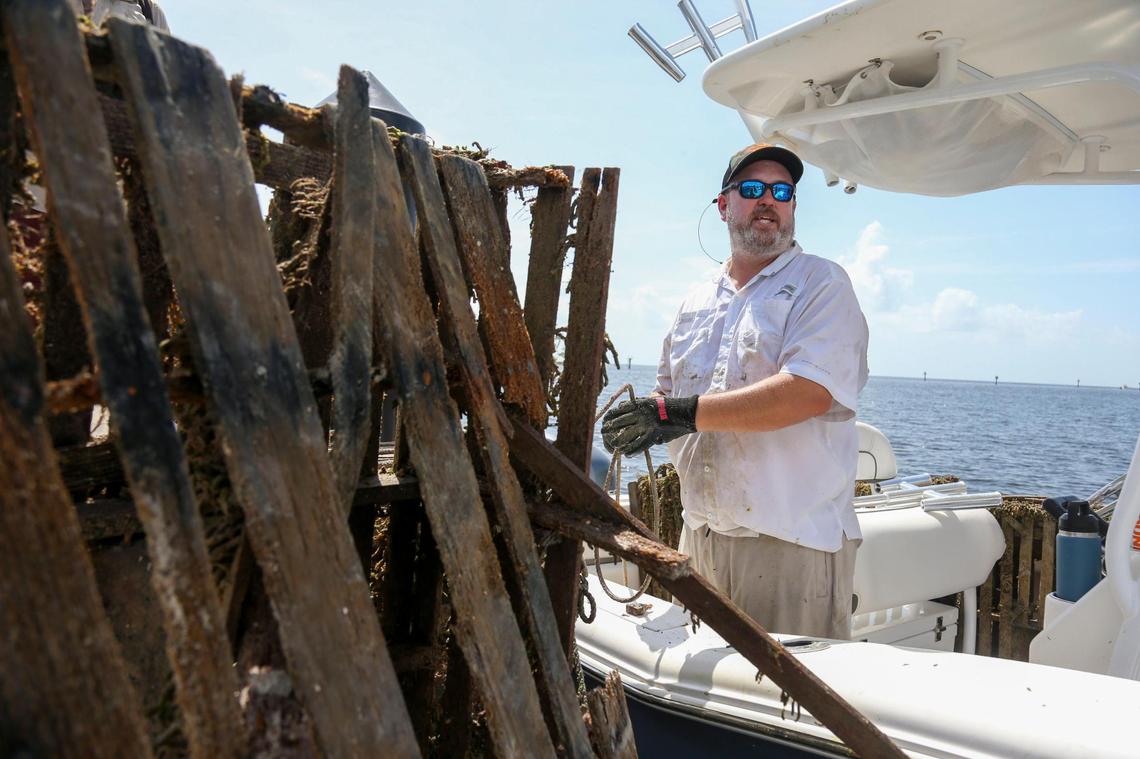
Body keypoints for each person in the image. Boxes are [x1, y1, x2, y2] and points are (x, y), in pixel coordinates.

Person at [602, 143, 869, 639]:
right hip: (699, 538)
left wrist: (677, 414)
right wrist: (642, 425)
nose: (767, 199)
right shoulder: (696, 300)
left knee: (787, 712)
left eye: (781, 191)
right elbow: (667, 396)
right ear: (724, 206)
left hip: (790, 545)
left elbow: (807, 392)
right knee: (708, 701)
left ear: (792, 206)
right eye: (751, 189)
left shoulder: (822, 283)